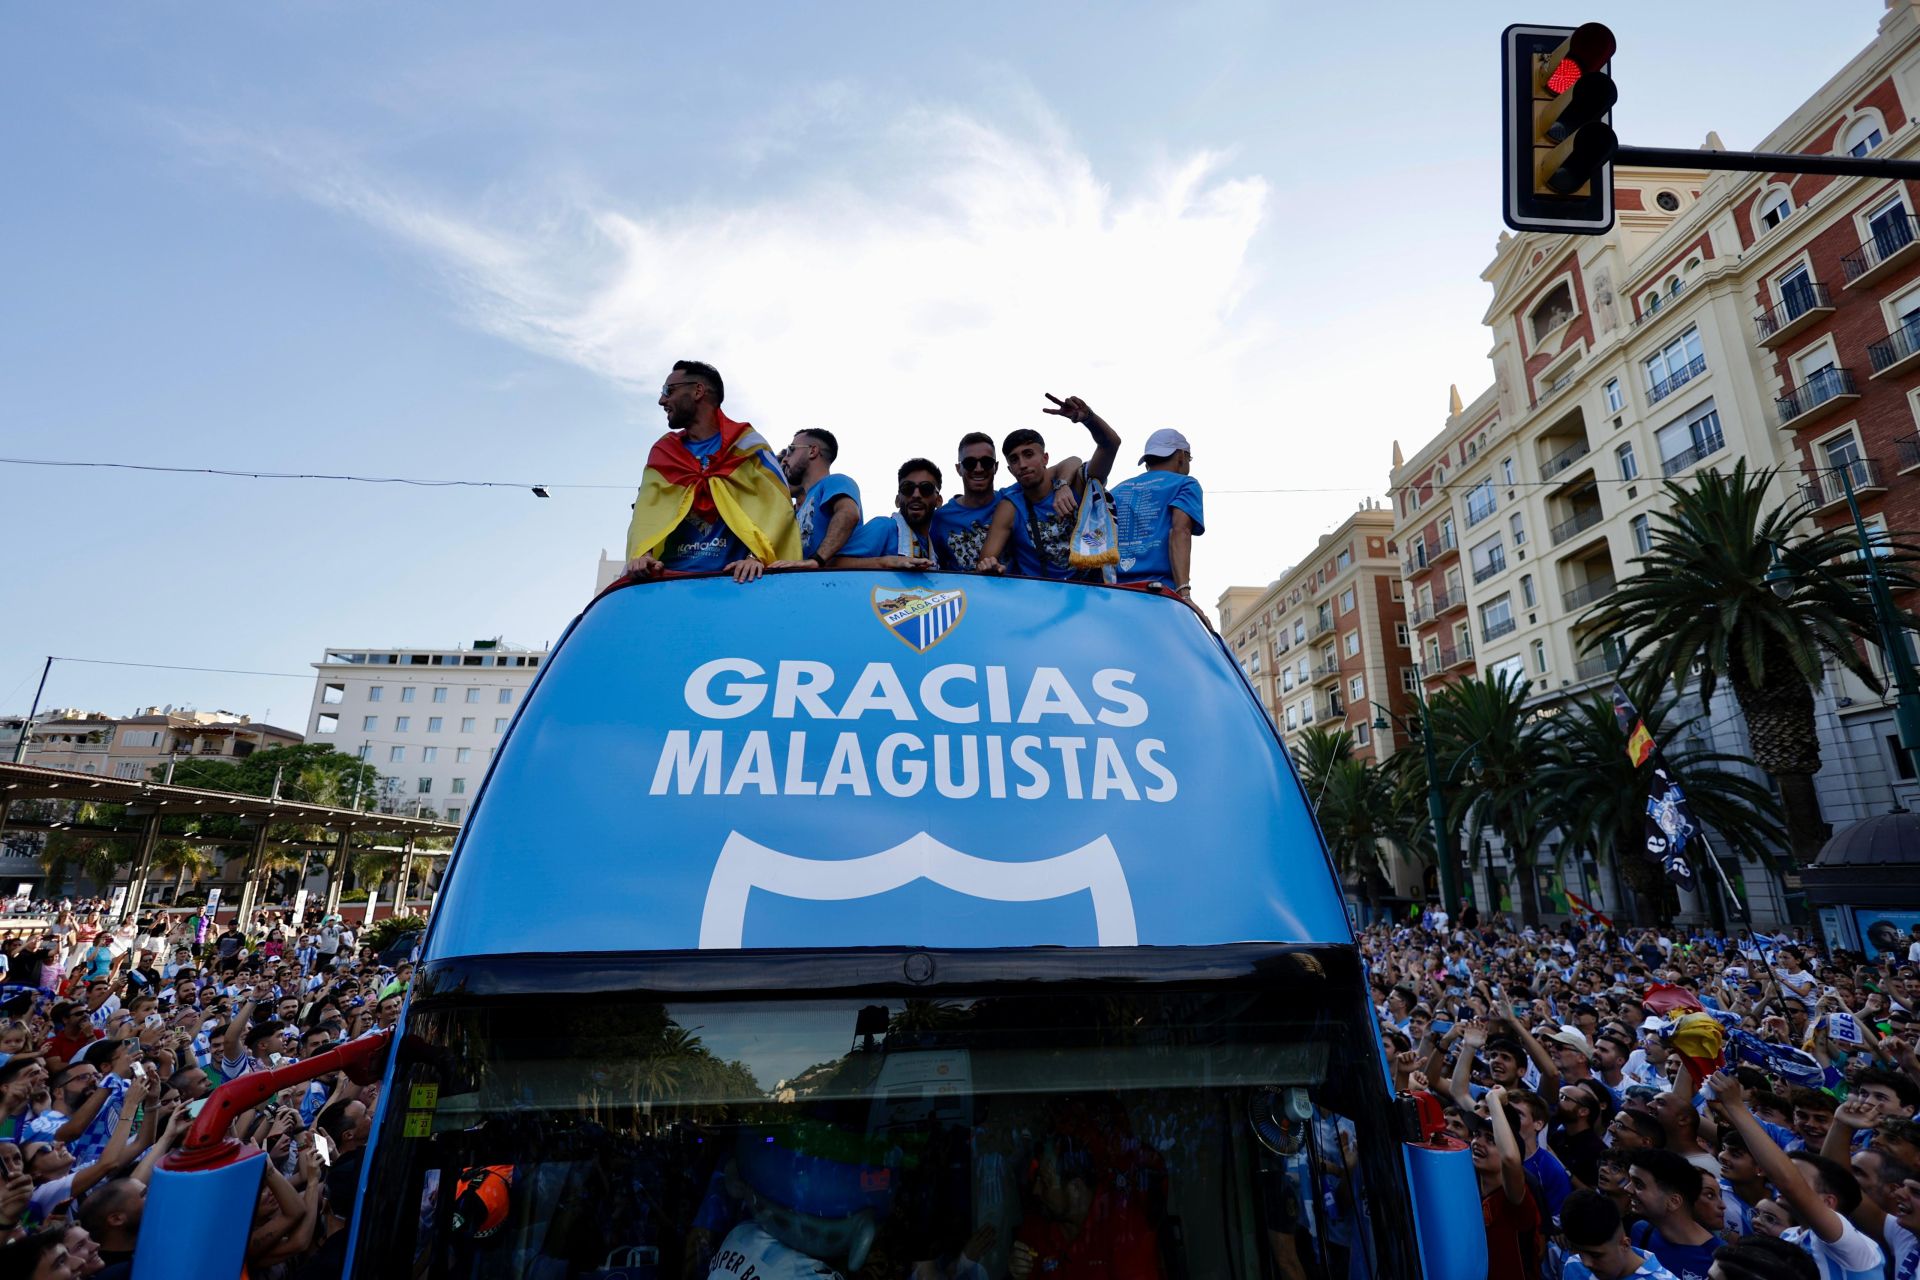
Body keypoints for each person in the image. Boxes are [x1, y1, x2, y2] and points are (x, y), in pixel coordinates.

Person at [624, 360, 801, 584]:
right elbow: (646, 512)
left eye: (669, 390)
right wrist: (644, 554)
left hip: (735, 582)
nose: (662, 400)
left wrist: (757, 558)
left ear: (698, 391)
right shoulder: (664, 452)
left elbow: (776, 507)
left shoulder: (747, 444)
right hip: (668, 582)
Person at [1709, 1072, 1886, 1280]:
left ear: (1827, 1202)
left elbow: (1789, 1183)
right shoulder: (1789, 1237)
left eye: (1798, 1176)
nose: (1785, 1181)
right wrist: (1840, 1123)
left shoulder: (1851, 1246)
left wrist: (1736, 1106)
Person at [976, 395, 1122, 579]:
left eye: (1029, 454)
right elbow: (985, 560)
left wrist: (1089, 418)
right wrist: (989, 566)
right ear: (1009, 469)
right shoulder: (1011, 506)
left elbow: (1110, 445)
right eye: (1014, 459)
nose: (1022, 464)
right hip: (1041, 598)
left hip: (1089, 591)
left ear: (1045, 458)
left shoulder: (1078, 483)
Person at [1106, 429, 1203, 595]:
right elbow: (1181, 531)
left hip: (1115, 591)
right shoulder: (1185, 484)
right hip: (1160, 591)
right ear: (1181, 456)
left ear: (1147, 462)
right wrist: (1184, 593)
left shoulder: (1116, 490)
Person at [1626, 1149, 1722, 1279]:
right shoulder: (1641, 1231)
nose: (1627, 1188)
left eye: (1638, 1184)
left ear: (1673, 1201)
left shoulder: (1718, 1258)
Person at [832, 459, 941, 570]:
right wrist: (885, 562)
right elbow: (835, 564)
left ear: (939, 500)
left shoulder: (936, 545)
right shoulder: (883, 526)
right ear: (897, 500)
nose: (916, 494)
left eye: (926, 488)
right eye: (907, 488)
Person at [779, 428, 863, 569]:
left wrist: (817, 560)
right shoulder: (799, 510)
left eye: (791, 450)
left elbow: (849, 513)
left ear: (812, 451)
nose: (786, 459)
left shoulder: (836, 481)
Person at [1558, 1187, 1682, 1278]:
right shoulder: (1574, 1266)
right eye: (1578, 1251)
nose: (1586, 1262)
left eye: (1596, 1255)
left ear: (1625, 1244)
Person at [931, 433, 1009, 571]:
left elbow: (1051, 473)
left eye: (986, 462)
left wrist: (1062, 486)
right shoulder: (940, 518)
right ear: (958, 468)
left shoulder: (1012, 501)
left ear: (996, 467)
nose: (978, 469)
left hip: (1010, 590)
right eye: (970, 463)